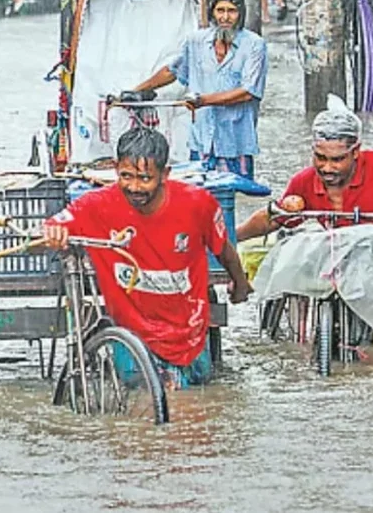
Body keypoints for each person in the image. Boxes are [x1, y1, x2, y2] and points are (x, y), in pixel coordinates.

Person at [236, 95, 373, 354]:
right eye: (320, 158)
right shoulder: (305, 181)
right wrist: (229, 238)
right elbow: (273, 218)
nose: (327, 168)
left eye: (337, 160)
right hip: (346, 287)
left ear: (356, 152)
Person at [43, 128, 252, 389]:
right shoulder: (96, 205)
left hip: (188, 329)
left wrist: (240, 284)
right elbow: (57, 224)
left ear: (164, 175)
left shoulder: (197, 203)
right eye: (126, 176)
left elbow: (224, 249)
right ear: (115, 168)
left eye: (145, 178)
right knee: (143, 400)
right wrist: (54, 231)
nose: (134, 187)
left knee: (196, 399)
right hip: (131, 330)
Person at [132, 0, 268, 178]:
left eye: (231, 11)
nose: (225, 17)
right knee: (200, 197)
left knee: (235, 196)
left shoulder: (255, 45)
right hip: (202, 139)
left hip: (236, 142)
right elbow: (173, 71)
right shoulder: (195, 41)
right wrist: (137, 90)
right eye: (220, 10)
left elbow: (248, 91)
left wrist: (203, 100)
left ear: (240, 14)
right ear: (213, 12)